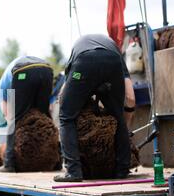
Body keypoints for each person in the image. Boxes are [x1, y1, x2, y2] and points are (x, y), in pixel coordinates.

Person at [54, 34, 136, 183]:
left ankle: (73, 171)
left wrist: (64, 100)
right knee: (117, 116)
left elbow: (67, 87)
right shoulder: (114, 49)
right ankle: (122, 170)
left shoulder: (78, 46)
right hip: (113, 63)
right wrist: (125, 117)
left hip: (84, 62)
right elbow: (130, 97)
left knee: (66, 117)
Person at [0, 56, 54, 173]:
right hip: (47, 70)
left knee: (13, 121)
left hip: (24, 70)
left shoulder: (1, 89)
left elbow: (7, 114)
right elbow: (46, 108)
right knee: (44, 119)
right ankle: (56, 161)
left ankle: (9, 163)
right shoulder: (8, 81)